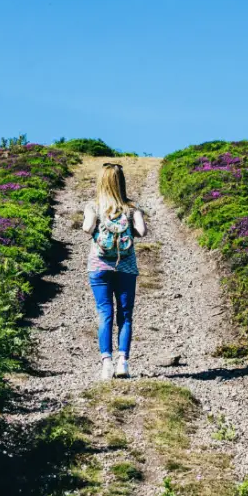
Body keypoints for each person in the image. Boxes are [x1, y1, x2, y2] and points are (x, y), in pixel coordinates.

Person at [82, 162, 147, 380]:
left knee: (104, 313)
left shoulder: (93, 206)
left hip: (99, 266)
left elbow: (86, 228)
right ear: (121, 182)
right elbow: (142, 231)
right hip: (126, 267)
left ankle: (106, 363)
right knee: (125, 315)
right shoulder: (132, 207)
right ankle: (123, 363)